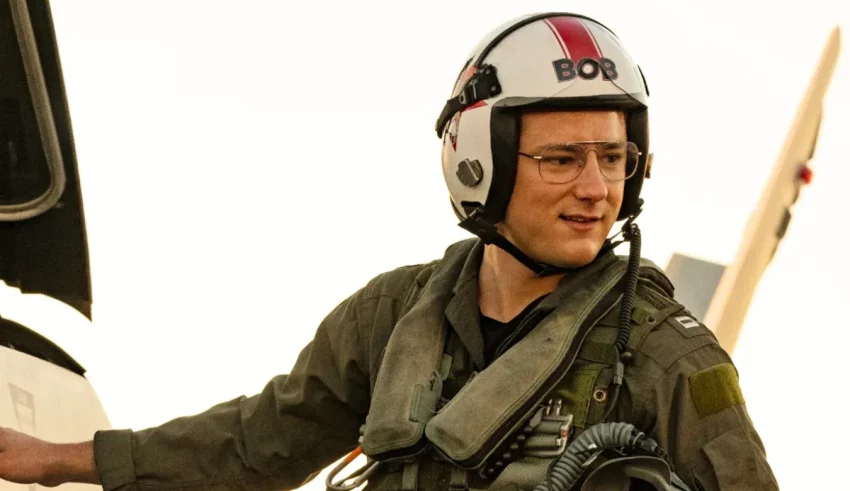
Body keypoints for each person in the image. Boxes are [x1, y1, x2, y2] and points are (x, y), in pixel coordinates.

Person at [0, 12, 778, 491]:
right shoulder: (395, 316)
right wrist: (61, 458)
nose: (596, 188)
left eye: (613, 158)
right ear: (484, 160)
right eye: (561, 158)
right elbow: (256, 444)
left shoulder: (671, 358)